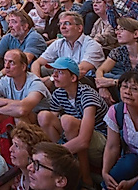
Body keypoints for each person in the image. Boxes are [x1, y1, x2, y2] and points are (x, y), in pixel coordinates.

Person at [37, 57, 108, 185]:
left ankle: (85, 178)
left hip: (101, 143)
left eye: (60, 72)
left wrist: (53, 154)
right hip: (74, 139)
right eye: (54, 71)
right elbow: (50, 122)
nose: (54, 75)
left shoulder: (87, 94)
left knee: (68, 121)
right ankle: (65, 168)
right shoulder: (59, 93)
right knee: (43, 116)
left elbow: (84, 140)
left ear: (73, 78)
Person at [101, 72, 138, 190]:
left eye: (134, 89)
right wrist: (105, 172)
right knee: (128, 163)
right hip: (133, 158)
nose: (127, 92)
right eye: (124, 87)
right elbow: (112, 146)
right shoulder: (116, 111)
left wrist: (131, 182)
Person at [95, 18, 138, 104]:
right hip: (127, 89)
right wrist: (101, 87)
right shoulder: (118, 51)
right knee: (107, 76)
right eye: (117, 29)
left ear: (136, 34)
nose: (117, 32)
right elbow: (100, 70)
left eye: (122, 29)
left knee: (117, 79)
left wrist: (112, 82)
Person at [0, 49, 50, 126]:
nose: (6, 66)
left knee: (18, 116)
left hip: (39, 124)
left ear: (23, 67)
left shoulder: (35, 83)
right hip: (18, 115)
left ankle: (22, 134)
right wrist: (7, 103)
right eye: (5, 61)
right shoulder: (6, 80)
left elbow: (22, 110)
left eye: (11, 62)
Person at [31, 12, 105, 81]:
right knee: (42, 70)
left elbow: (80, 71)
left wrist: (52, 79)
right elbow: (37, 63)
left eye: (67, 23)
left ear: (79, 28)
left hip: (84, 82)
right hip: (63, 78)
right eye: (60, 24)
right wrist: (38, 80)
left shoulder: (92, 45)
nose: (62, 27)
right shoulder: (58, 43)